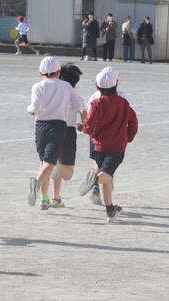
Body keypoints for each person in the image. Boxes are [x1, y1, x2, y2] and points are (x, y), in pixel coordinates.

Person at [79, 67, 138, 222]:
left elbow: (89, 126)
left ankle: (110, 210)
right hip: (116, 147)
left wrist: (82, 128)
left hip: (99, 146)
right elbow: (133, 121)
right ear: (116, 84)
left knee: (107, 176)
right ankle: (93, 182)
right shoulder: (123, 103)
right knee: (106, 175)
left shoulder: (96, 103)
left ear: (97, 87)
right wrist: (129, 137)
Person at [25, 56, 83, 210]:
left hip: (40, 126)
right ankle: (36, 184)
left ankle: (44, 198)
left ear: (40, 73)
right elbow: (77, 104)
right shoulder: (66, 86)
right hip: (58, 126)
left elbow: (35, 107)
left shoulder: (37, 86)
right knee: (50, 163)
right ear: (58, 72)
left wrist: (30, 110)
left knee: (45, 162)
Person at [48, 63, 87, 208]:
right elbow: (84, 114)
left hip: (50, 129)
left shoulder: (53, 95)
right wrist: (84, 126)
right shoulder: (76, 96)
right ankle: (57, 166)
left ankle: (55, 198)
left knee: (52, 164)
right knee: (68, 173)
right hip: (68, 132)